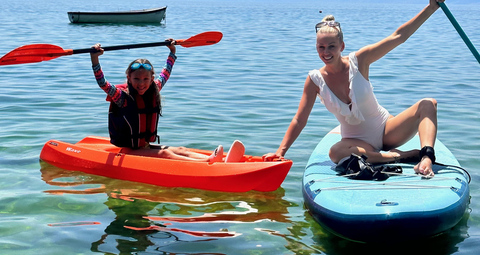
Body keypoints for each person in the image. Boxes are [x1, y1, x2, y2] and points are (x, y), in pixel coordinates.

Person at [264, 0, 444, 177]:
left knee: (428, 104)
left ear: (342, 46)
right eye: (321, 47)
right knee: (335, 152)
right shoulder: (314, 81)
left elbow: (398, 36)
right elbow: (299, 119)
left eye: (332, 46)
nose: (326, 52)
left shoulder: (360, 61)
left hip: (388, 131)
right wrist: (281, 152)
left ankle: (426, 158)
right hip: (357, 143)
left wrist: (431, 7)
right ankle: (399, 156)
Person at [90, 39, 231, 162]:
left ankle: (222, 160)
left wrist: (172, 51)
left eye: (146, 79)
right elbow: (103, 83)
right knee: (164, 153)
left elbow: (166, 73)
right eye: (136, 79)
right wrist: (95, 59)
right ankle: (207, 162)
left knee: (181, 149)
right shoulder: (122, 97)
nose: (141, 83)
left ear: (151, 79)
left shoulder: (154, 88)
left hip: (144, 147)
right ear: (128, 78)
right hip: (129, 150)